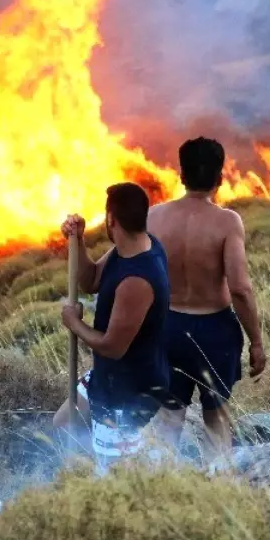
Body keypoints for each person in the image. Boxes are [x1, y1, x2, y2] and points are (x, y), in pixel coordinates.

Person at [146, 137, 266, 462]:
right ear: (220, 178)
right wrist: (256, 341)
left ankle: (157, 489)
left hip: (167, 327)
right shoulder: (227, 222)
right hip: (214, 330)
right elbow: (240, 287)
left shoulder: (154, 217)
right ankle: (219, 484)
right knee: (216, 414)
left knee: (169, 415)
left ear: (181, 175)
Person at [60, 182, 171, 471]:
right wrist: (78, 240)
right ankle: (85, 476)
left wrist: (75, 323)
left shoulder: (138, 279)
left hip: (128, 392)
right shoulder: (126, 249)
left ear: (111, 220)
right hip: (107, 378)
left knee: (114, 476)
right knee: (62, 427)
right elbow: (90, 280)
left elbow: (113, 347)